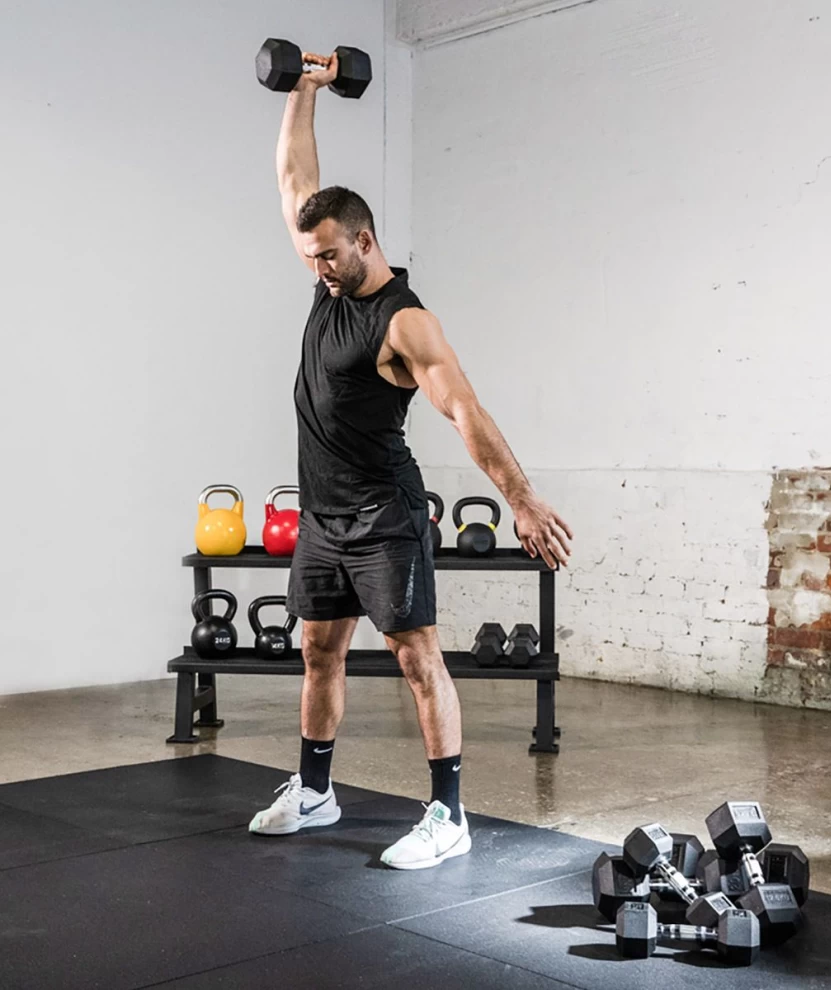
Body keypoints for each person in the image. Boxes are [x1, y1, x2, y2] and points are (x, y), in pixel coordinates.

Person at [248, 55, 573, 869]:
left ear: (365, 241)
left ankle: (448, 814)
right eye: (311, 257)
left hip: (384, 514)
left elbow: (465, 410)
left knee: (416, 659)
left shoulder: (404, 322)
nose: (317, 269)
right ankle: (316, 792)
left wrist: (521, 499)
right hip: (322, 517)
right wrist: (306, 88)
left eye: (329, 256)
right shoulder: (326, 278)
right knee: (319, 651)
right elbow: (294, 176)